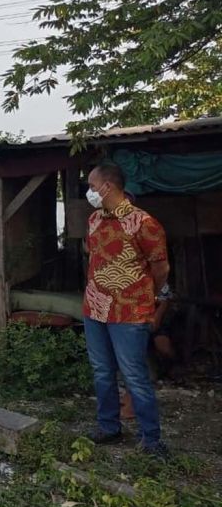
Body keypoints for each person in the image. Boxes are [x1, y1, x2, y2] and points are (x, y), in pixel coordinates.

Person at [83, 163, 170, 458]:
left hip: (129, 312)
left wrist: (148, 294)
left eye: (93, 186)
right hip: (95, 308)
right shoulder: (94, 220)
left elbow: (161, 267)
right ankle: (109, 428)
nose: (90, 191)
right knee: (102, 372)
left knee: (134, 375)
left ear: (108, 187)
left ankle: (152, 440)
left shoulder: (144, 223)